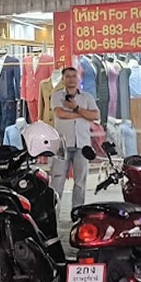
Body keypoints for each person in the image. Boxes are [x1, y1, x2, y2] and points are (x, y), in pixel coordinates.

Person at [49, 66, 100, 209]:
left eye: (74, 76)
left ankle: (77, 212)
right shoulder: (57, 96)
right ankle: (54, 213)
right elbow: (60, 114)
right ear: (63, 79)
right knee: (57, 180)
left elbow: (95, 115)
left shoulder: (87, 97)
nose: (71, 79)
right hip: (62, 144)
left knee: (80, 182)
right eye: (68, 76)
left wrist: (76, 108)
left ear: (78, 79)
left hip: (82, 144)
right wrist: (83, 114)